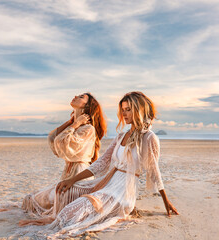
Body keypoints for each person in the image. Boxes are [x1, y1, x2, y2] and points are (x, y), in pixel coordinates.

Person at [18, 91, 178, 238]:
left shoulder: (149, 138)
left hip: (122, 192)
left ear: (139, 110)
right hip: (105, 183)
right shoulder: (121, 136)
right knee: (63, 191)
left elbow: (154, 171)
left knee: (69, 213)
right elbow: (101, 163)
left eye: (128, 109)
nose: (124, 113)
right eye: (123, 109)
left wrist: (166, 202)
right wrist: (72, 180)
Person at [0, 93, 106, 216]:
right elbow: (52, 138)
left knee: (45, 202)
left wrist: (75, 124)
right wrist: (72, 121)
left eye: (81, 97)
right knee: (33, 199)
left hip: (79, 176)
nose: (75, 96)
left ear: (87, 106)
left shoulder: (88, 129)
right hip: (69, 172)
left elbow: (61, 141)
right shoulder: (76, 126)